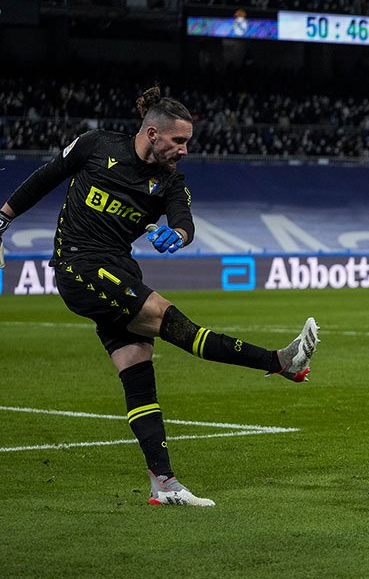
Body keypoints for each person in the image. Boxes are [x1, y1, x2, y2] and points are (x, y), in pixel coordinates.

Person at [0, 86, 320, 507]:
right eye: (179, 141)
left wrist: (180, 234)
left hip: (119, 268)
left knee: (138, 372)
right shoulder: (97, 146)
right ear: (153, 133)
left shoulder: (170, 181)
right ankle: (278, 361)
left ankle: (163, 483)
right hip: (78, 266)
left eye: (188, 141)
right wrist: (3, 218)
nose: (185, 149)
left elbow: (183, 220)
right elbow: (45, 178)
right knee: (174, 322)